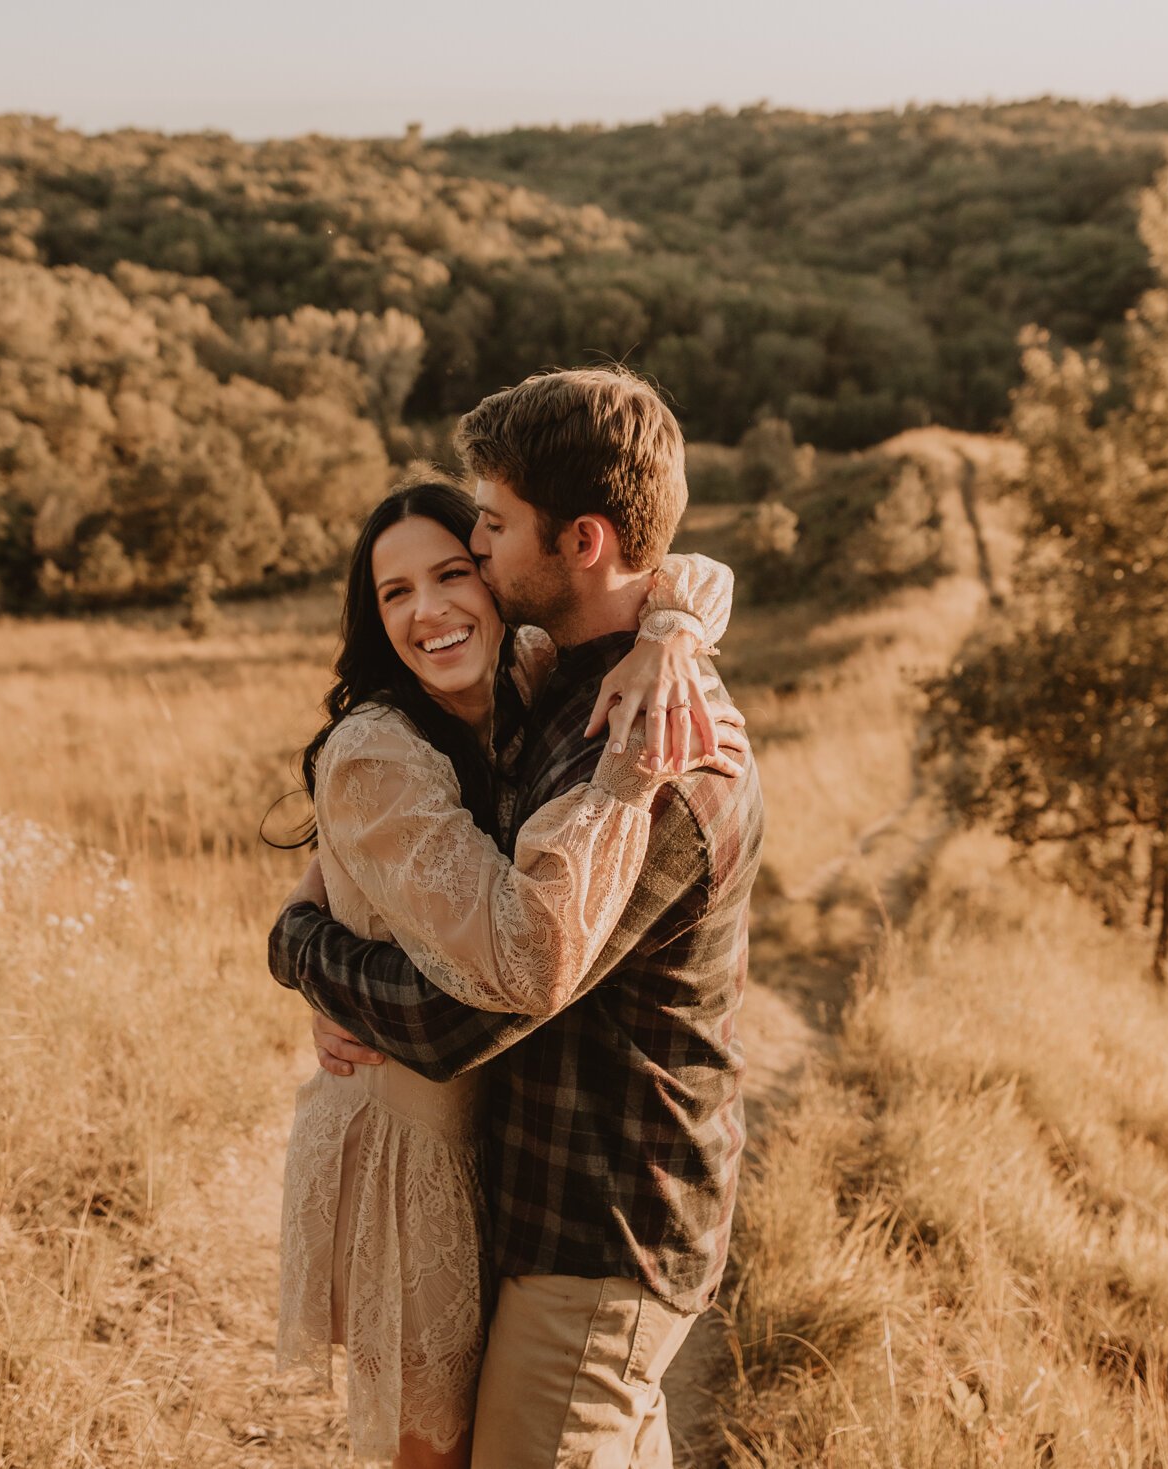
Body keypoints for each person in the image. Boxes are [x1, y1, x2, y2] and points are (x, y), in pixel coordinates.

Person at [273, 367, 764, 1468]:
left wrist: (303, 952)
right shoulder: (566, 677)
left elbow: (470, 1014)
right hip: (526, 1195)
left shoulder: (653, 758)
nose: (478, 555)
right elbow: (678, 566)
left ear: (579, 541)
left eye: (485, 532)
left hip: (604, 1222)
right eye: (400, 586)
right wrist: (674, 621)